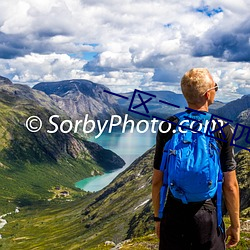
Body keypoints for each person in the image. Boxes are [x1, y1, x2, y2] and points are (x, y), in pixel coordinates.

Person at [152, 68, 240, 250]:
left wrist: (158, 218)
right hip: (207, 215)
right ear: (208, 94)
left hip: (174, 213)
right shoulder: (221, 129)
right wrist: (235, 225)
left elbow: (157, 181)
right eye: (216, 87)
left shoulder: (169, 126)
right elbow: (230, 185)